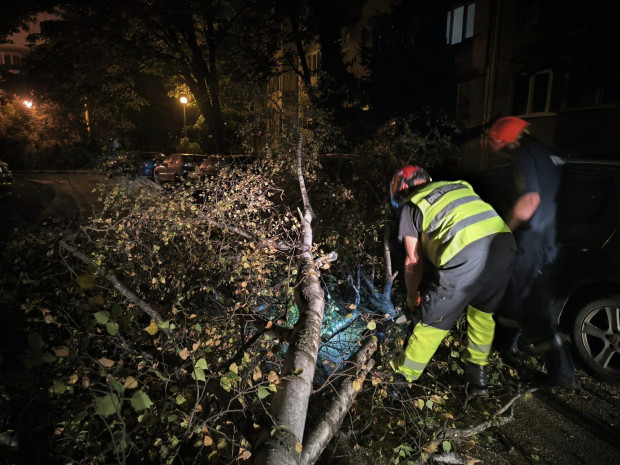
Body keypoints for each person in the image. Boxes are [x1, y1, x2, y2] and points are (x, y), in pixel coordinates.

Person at [389, 165, 516, 395]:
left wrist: (412, 296)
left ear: (402, 188)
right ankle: (478, 382)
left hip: (468, 251)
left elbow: (413, 261)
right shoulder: (459, 185)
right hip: (505, 245)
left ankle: (397, 382)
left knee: (433, 317)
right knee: (482, 313)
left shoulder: (413, 204)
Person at [487, 116, 579, 388]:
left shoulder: (523, 156)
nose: (490, 146)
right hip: (551, 241)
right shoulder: (548, 155)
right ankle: (507, 345)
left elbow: (529, 200)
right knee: (524, 297)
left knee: (522, 301)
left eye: (492, 141)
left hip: (532, 239)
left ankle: (562, 372)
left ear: (506, 140)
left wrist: (500, 232)